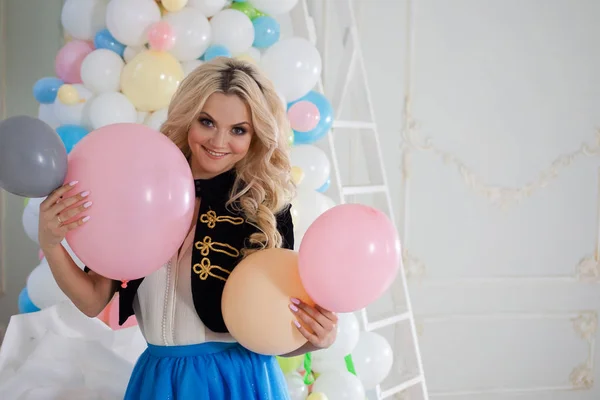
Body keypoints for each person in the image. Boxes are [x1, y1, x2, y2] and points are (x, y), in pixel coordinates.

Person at [37, 58, 338, 399]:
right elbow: (93, 300)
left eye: (239, 129)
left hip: (235, 381)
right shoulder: (136, 191)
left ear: (255, 136)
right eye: (207, 122)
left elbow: (272, 334)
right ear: (187, 117)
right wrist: (52, 245)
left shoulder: (266, 212)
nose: (219, 141)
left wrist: (316, 339)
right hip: (158, 378)